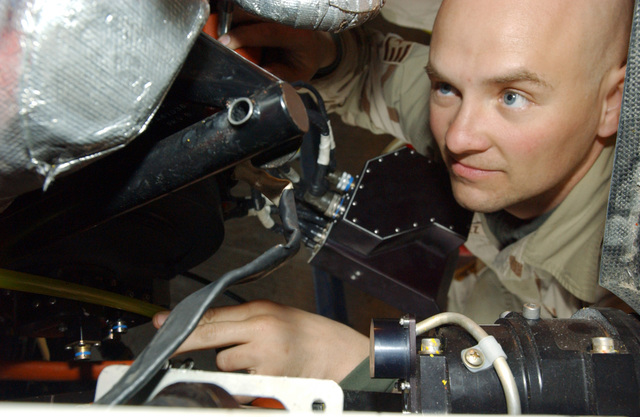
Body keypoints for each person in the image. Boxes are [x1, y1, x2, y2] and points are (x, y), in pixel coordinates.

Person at [153, 0, 633, 390]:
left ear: (611, 103)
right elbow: (370, 70)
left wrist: (370, 366)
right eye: (446, 86)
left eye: (512, 96)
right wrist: (326, 55)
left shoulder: (624, 258)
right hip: (502, 284)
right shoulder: (467, 122)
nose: (459, 137)